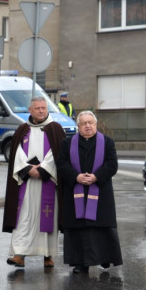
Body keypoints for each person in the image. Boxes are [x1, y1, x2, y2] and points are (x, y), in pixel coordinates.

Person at [2, 96, 66, 268]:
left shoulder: (56, 129)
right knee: (23, 217)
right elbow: (17, 153)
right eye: (37, 108)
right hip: (26, 182)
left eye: (43, 108)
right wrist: (27, 169)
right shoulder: (22, 129)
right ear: (30, 110)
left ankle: (48, 256)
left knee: (47, 217)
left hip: (48, 182)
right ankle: (19, 254)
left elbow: (58, 154)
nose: (40, 111)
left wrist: (43, 169)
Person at [56, 110, 122, 274]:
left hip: (101, 190)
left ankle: (105, 258)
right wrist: (76, 177)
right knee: (80, 228)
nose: (87, 126)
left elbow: (112, 164)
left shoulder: (107, 142)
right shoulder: (67, 143)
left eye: (90, 123)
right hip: (75, 191)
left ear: (95, 124)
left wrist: (96, 177)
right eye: (83, 123)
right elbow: (61, 164)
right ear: (78, 126)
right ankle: (80, 262)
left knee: (101, 227)